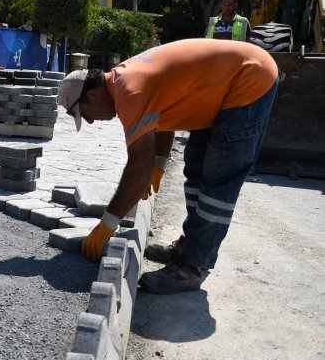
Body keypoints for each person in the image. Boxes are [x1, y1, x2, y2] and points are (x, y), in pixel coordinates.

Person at [56, 38, 278, 294]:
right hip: (227, 84)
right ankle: (190, 246)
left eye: (84, 114)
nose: (91, 122)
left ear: (93, 95)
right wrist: (160, 163)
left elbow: (138, 166)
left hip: (249, 80)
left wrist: (107, 224)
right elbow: (162, 117)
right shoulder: (124, 82)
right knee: (195, 167)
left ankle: (193, 267)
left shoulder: (130, 91)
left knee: (218, 178)